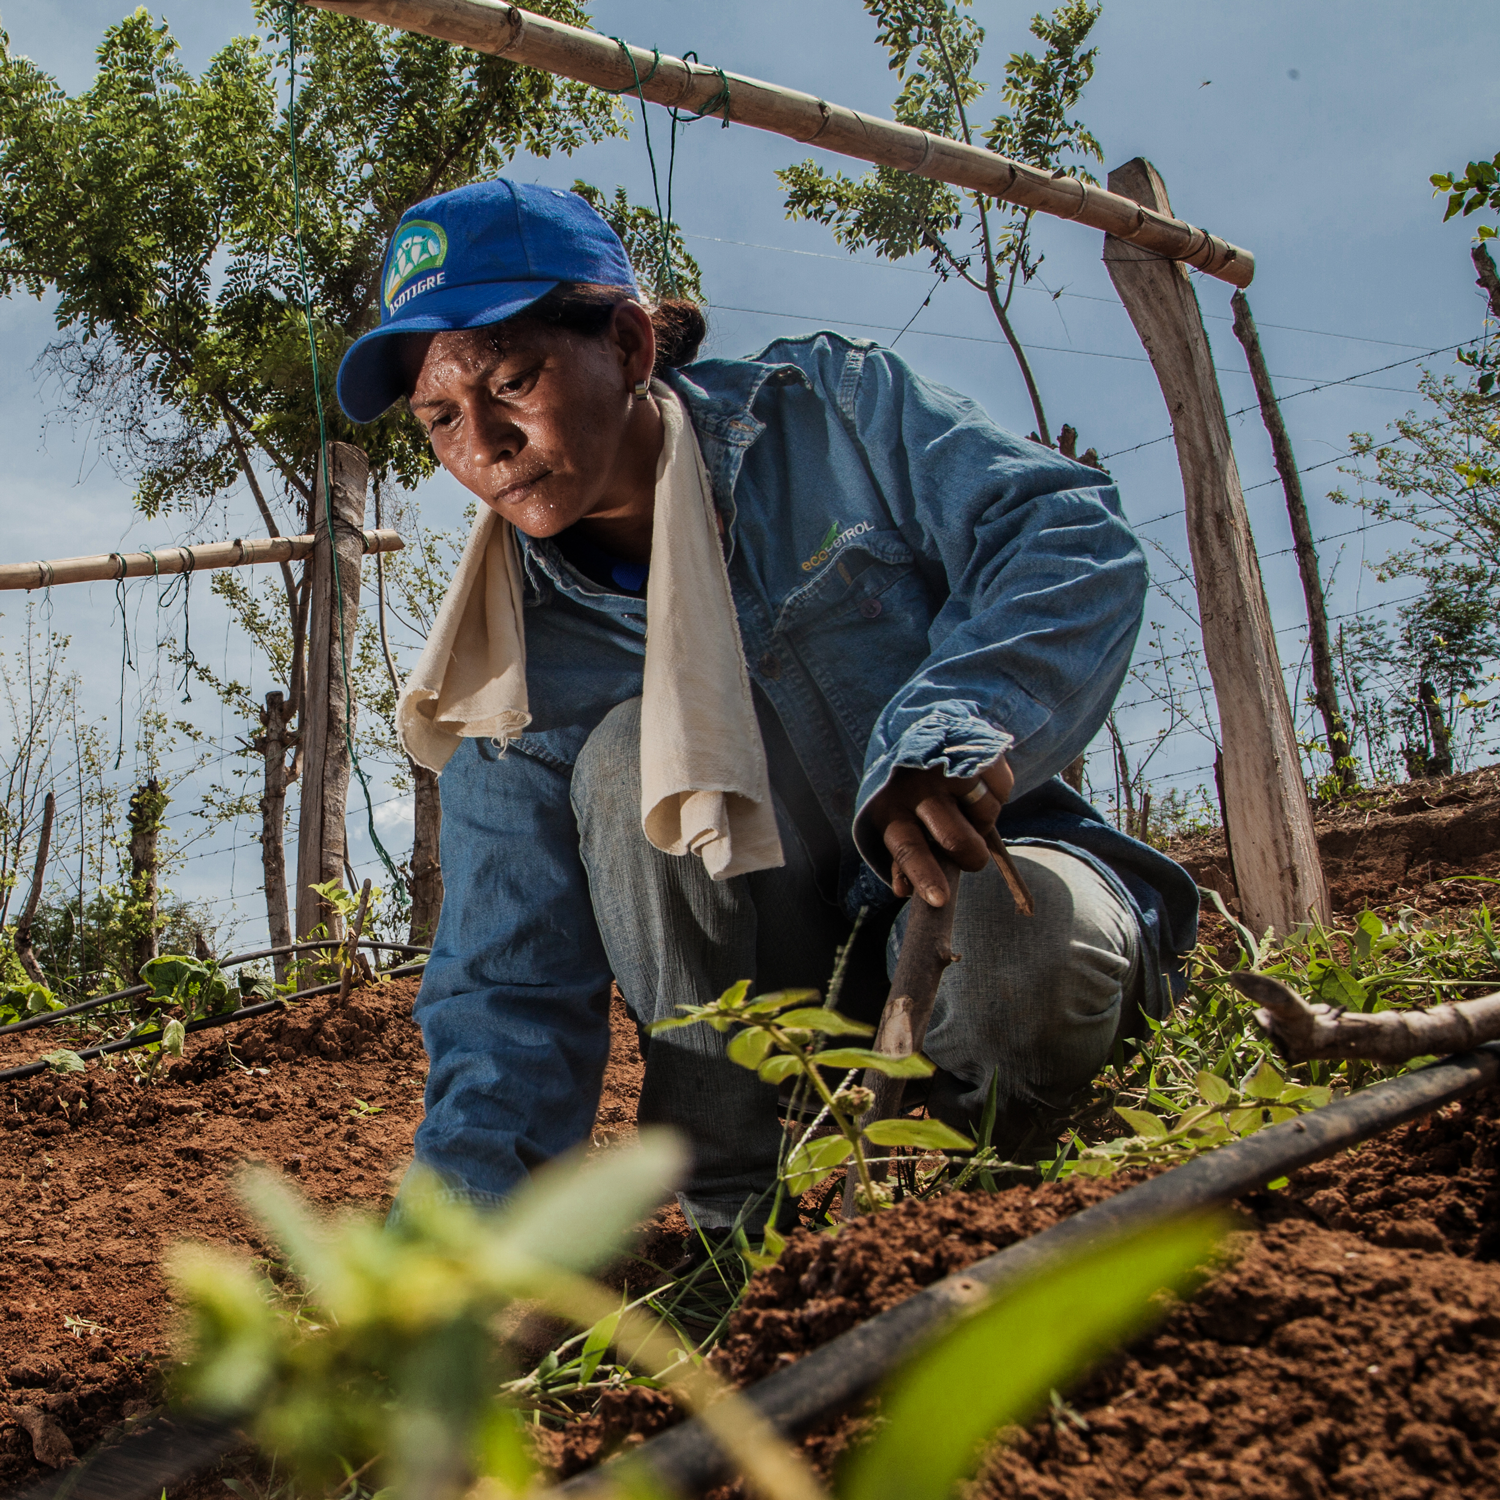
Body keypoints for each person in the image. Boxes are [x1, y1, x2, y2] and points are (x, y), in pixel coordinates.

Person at [336, 178, 1199, 1238]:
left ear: (630, 345)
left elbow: (1062, 530)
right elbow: (502, 987)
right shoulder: (510, 669)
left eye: (513, 380)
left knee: (1028, 958)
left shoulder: (828, 414)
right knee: (625, 756)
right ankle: (741, 1221)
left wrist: (953, 730)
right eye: (440, 417)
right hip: (778, 1028)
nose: (485, 444)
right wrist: (443, 1269)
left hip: (986, 905)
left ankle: (973, 1204)